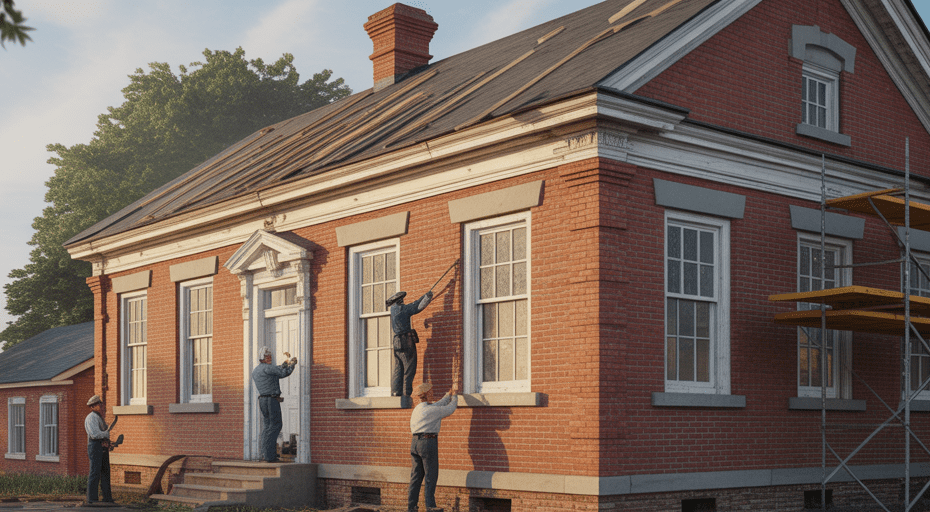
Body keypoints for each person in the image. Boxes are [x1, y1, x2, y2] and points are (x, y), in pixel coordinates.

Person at [408, 381, 457, 512]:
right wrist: (455, 396)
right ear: (428, 393)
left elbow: (437, 405)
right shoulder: (430, 411)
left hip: (415, 443)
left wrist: (448, 395)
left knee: (416, 476)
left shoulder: (419, 409)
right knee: (431, 475)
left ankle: (411, 506)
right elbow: (449, 409)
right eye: (432, 392)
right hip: (427, 443)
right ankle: (430, 506)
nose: (433, 393)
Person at [251, 346, 297, 462]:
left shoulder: (256, 370)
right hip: (271, 400)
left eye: (270, 356)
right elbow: (283, 372)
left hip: (262, 400)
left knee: (267, 427)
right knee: (276, 425)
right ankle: (271, 457)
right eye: (268, 356)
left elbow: (277, 369)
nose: (270, 358)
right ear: (263, 357)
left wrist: (285, 363)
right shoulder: (268, 368)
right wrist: (292, 364)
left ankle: (266, 454)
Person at [387, 290, 433, 396]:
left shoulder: (393, 310)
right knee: (409, 369)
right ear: (400, 300)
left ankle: (395, 393)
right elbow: (417, 307)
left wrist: (424, 295)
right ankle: (406, 396)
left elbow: (415, 303)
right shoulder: (403, 309)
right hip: (405, 342)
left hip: (396, 342)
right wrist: (427, 297)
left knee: (398, 369)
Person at [85, 395, 113, 505]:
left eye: (100, 404)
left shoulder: (99, 417)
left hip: (102, 446)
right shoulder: (91, 418)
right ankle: (92, 498)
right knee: (95, 472)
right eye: (98, 404)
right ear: (93, 406)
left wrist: (107, 441)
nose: (100, 406)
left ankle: (107, 497)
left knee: (106, 471)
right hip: (94, 446)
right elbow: (95, 434)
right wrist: (106, 433)